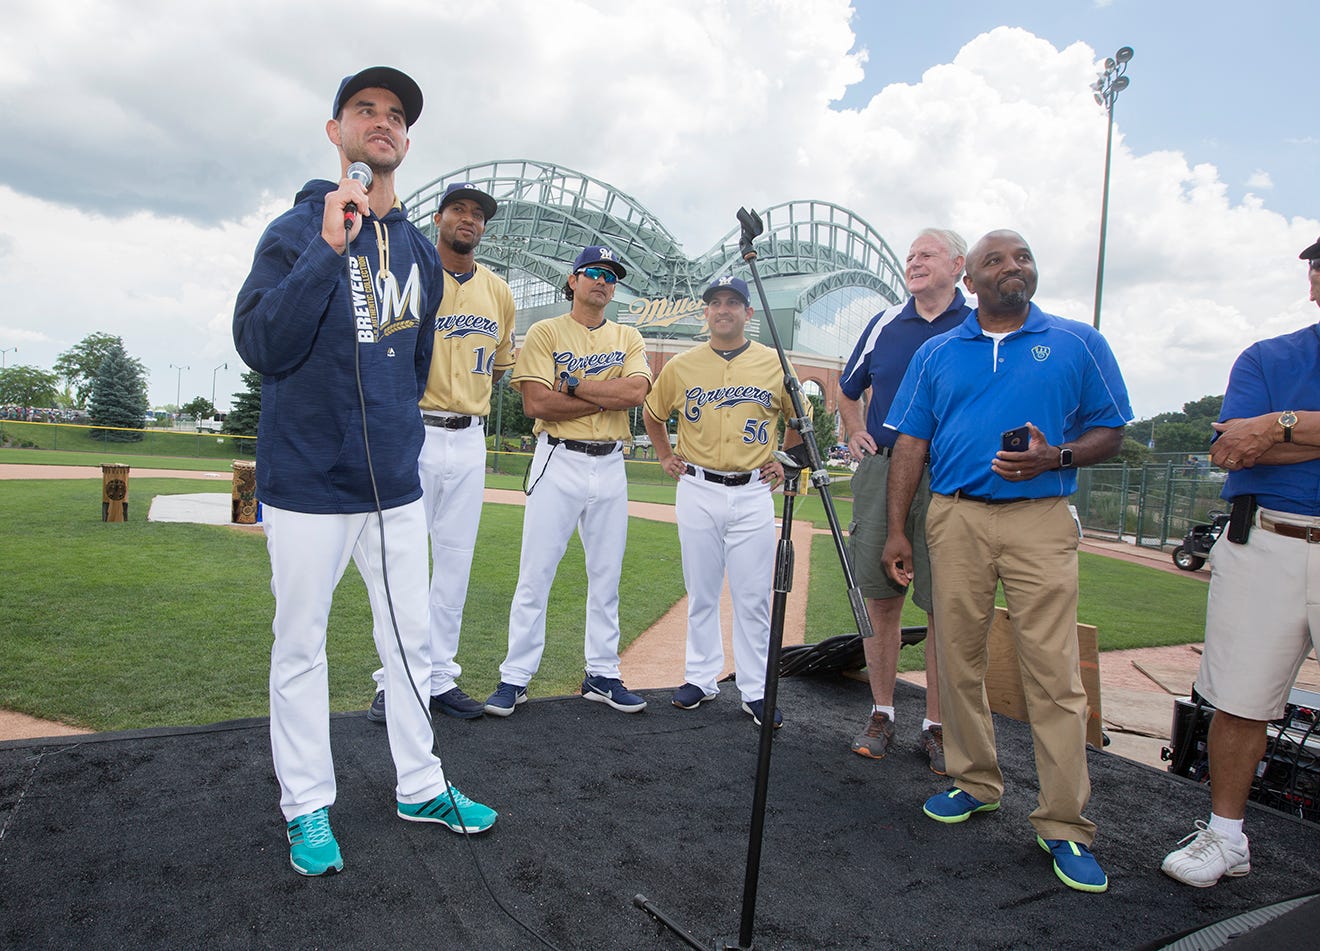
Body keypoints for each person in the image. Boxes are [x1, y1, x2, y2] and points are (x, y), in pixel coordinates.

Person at [233, 67, 496, 877]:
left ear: (406, 143)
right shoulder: (294, 230)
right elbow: (262, 345)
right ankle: (307, 804)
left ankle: (420, 783)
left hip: (393, 483)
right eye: (365, 110)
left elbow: (410, 365)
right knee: (301, 644)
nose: (381, 123)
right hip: (309, 482)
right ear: (336, 131)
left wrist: (389, 441)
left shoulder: (418, 248)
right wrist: (327, 247)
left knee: (411, 641)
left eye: (395, 116)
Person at [881, 230, 1132, 894]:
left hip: (1040, 517)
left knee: (1051, 672)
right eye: (996, 259)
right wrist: (898, 531)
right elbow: (910, 442)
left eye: (1022, 256)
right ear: (972, 281)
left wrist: (1057, 457)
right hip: (954, 514)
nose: (1013, 266)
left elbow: (1111, 429)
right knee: (957, 655)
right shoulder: (938, 350)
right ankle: (975, 780)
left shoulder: (1078, 342)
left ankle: (1064, 824)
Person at [1160, 236, 1320, 887]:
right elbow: (1231, 445)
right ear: (1313, 279)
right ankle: (1226, 836)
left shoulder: (1274, 381)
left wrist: (1278, 427)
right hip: (1266, 540)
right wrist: (1273, 434)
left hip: (1276, 524)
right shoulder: (1267, 354)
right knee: (1240, 701)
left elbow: (1258, 437)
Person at [365, 182, 515, 723]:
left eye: (478, 214)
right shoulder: (412, 272)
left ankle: (439, 677)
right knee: (402, 563)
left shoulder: (498, 291)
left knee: (454, 563)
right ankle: (392, 682)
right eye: (460, 210)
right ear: (439, 216)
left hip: (470, 436)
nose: (469, 220)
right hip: (417, 429)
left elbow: (499, 364)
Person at [484, 246, 652, 716]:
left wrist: (574, 386)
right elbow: (537, 404)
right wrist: (607, 398)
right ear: (573, 281)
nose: (603, 280)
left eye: (611, 277)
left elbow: (637, 392)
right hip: (557, 458)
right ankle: (514, 677)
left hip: (610, 464)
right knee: (535, 573)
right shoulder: (545, 331)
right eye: (594, 272)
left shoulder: (628, 336)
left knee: (607, 576)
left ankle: (602, 674)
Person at [837, 228, 972, 772]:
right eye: (910, 256)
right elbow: (848, 389)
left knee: (945, 606)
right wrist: (852, 431)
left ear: (959, 265)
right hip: (886, 468)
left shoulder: (980, 322)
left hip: (951, 476)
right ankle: (882, 711)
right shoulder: (885, 322)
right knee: (881, 597)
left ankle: (937, 726)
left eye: (927, 255)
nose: (914, 263)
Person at [642, 274, 796, 728]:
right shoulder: (683, 365)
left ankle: (754, 689)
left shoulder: (773, 363)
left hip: (752, 492)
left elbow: (799, 418)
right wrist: (666, 455)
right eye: (715, 303)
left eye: (733, 302)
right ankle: (700, 677)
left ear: (749, 313)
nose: (723, 309)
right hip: (699, 486)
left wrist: (785, 459)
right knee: (702, 590)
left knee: (753, 598)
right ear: (705, 313)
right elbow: (653, 413)